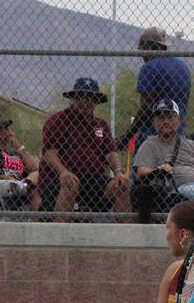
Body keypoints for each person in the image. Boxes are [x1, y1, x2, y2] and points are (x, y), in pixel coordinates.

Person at [40, 78, 131, 215]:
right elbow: (49, 153)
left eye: (89, 98)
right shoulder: (58, 120)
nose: (84, 101)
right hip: (59, 179)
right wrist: (63, 171)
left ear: (95, 102)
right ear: (73, 99)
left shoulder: (101, 125)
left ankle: (127, 232)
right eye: (80, 97)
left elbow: (111, 152)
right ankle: (60, 229)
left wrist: (118, 172)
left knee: (121, 185)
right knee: (70, 183)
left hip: (93, 181)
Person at [119, 27, 191, 150]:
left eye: (143, 50)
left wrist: (126, 137)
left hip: (151, 136)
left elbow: (146, 108)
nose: (142, 55)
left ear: (150, 47)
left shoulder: (149, 68)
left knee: (142, 168)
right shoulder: (183, 66)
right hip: (177, 135)